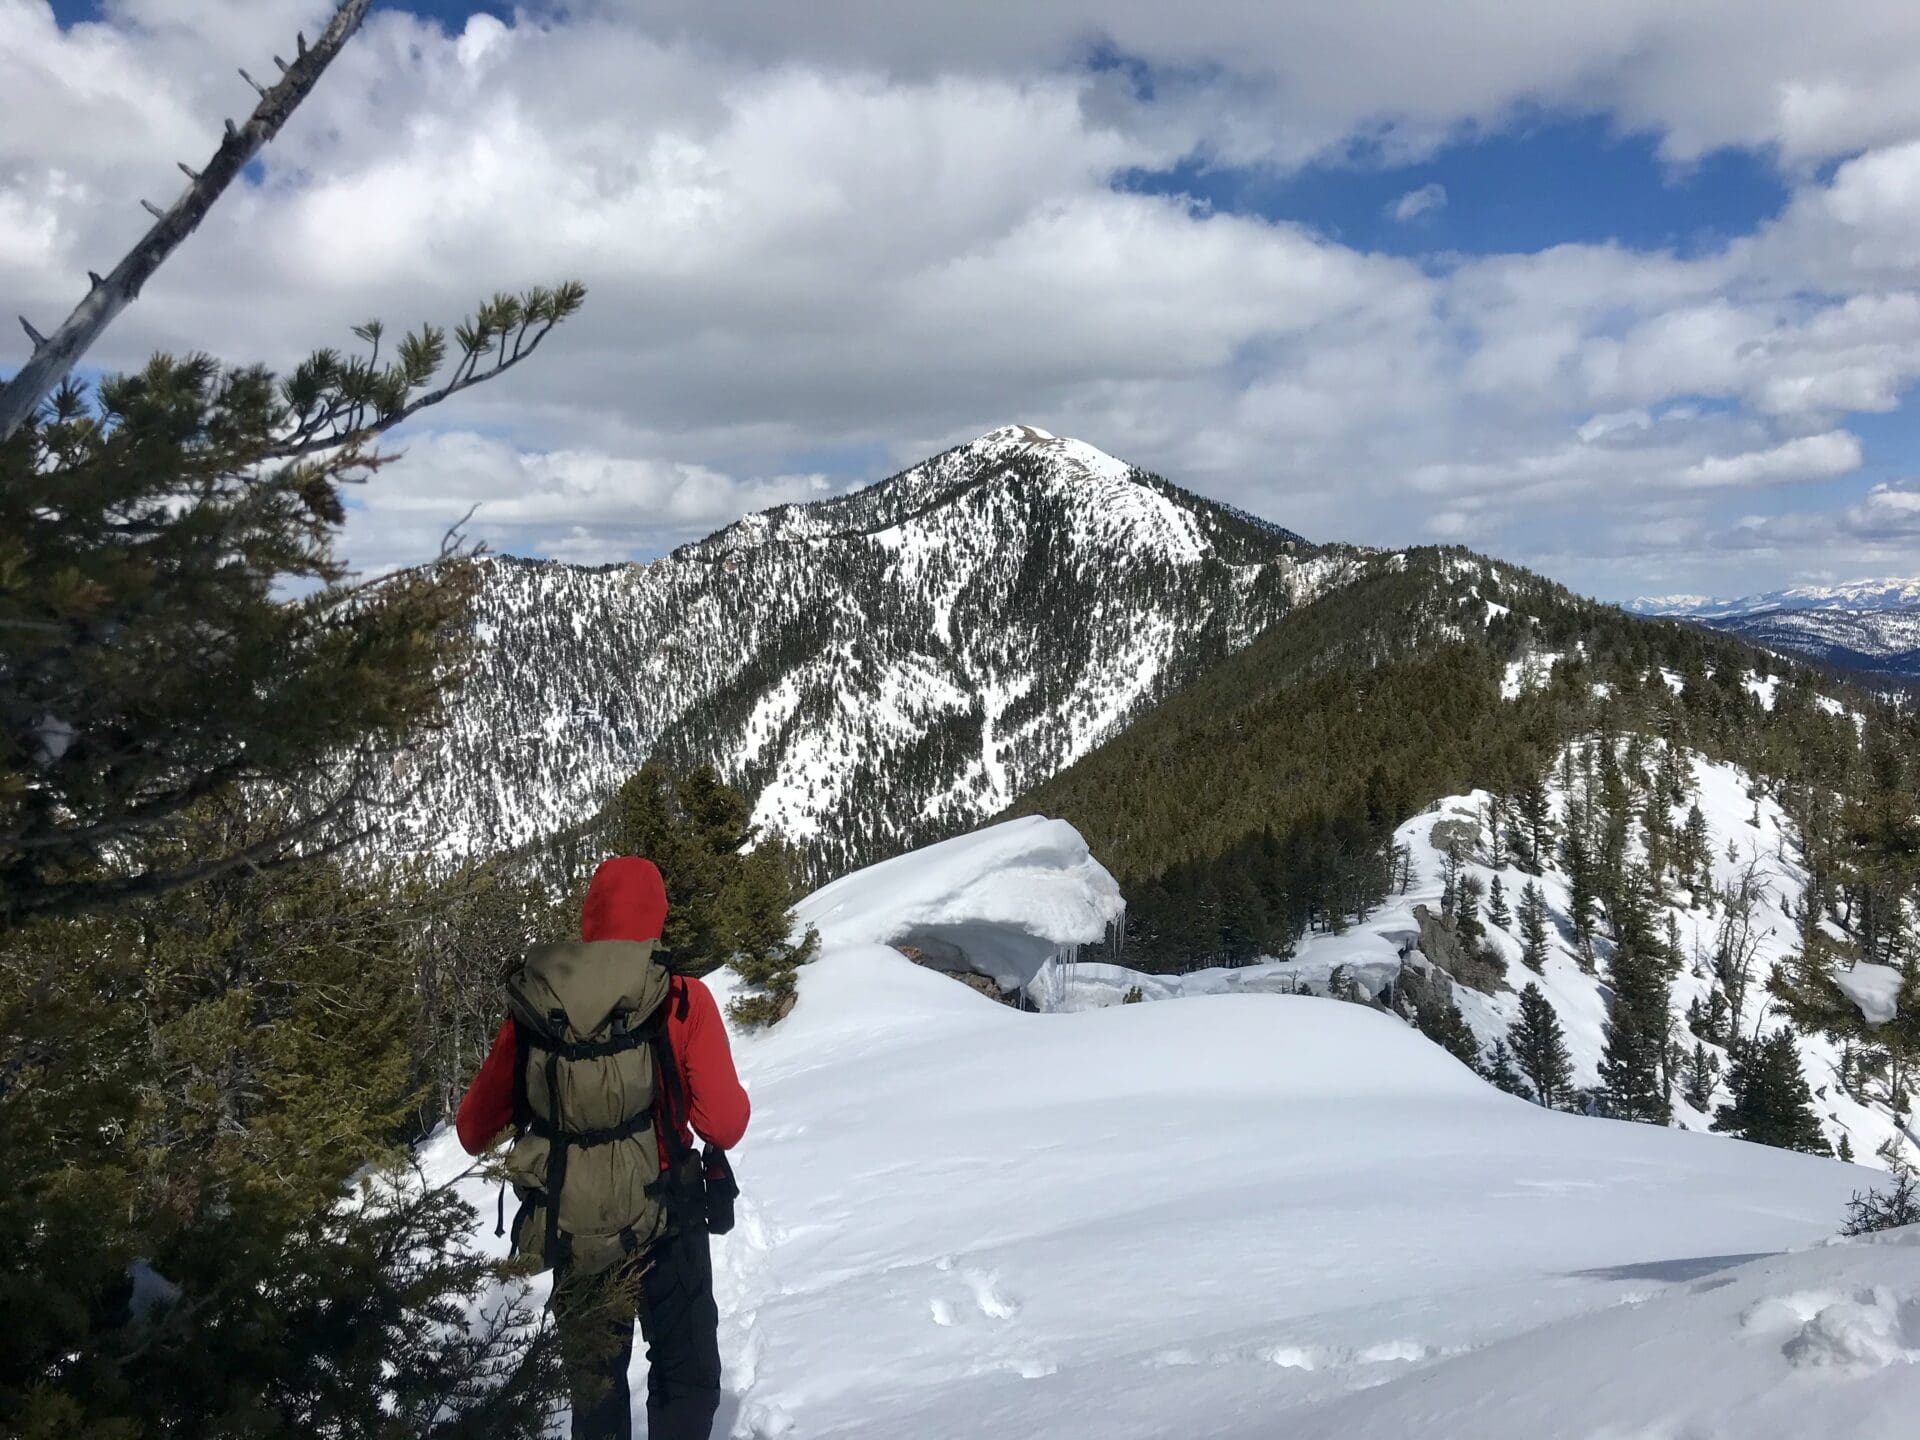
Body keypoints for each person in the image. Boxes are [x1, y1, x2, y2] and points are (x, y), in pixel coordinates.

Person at [457, 856, 750, 1440]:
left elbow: (471, 1130)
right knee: (685, 1376)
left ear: (589, 919)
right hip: (668, 1216)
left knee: (596, 1391)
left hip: (574, 1228)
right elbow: (724, 1124)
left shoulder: (541, 1007)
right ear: (657, 918)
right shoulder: (680, 997)